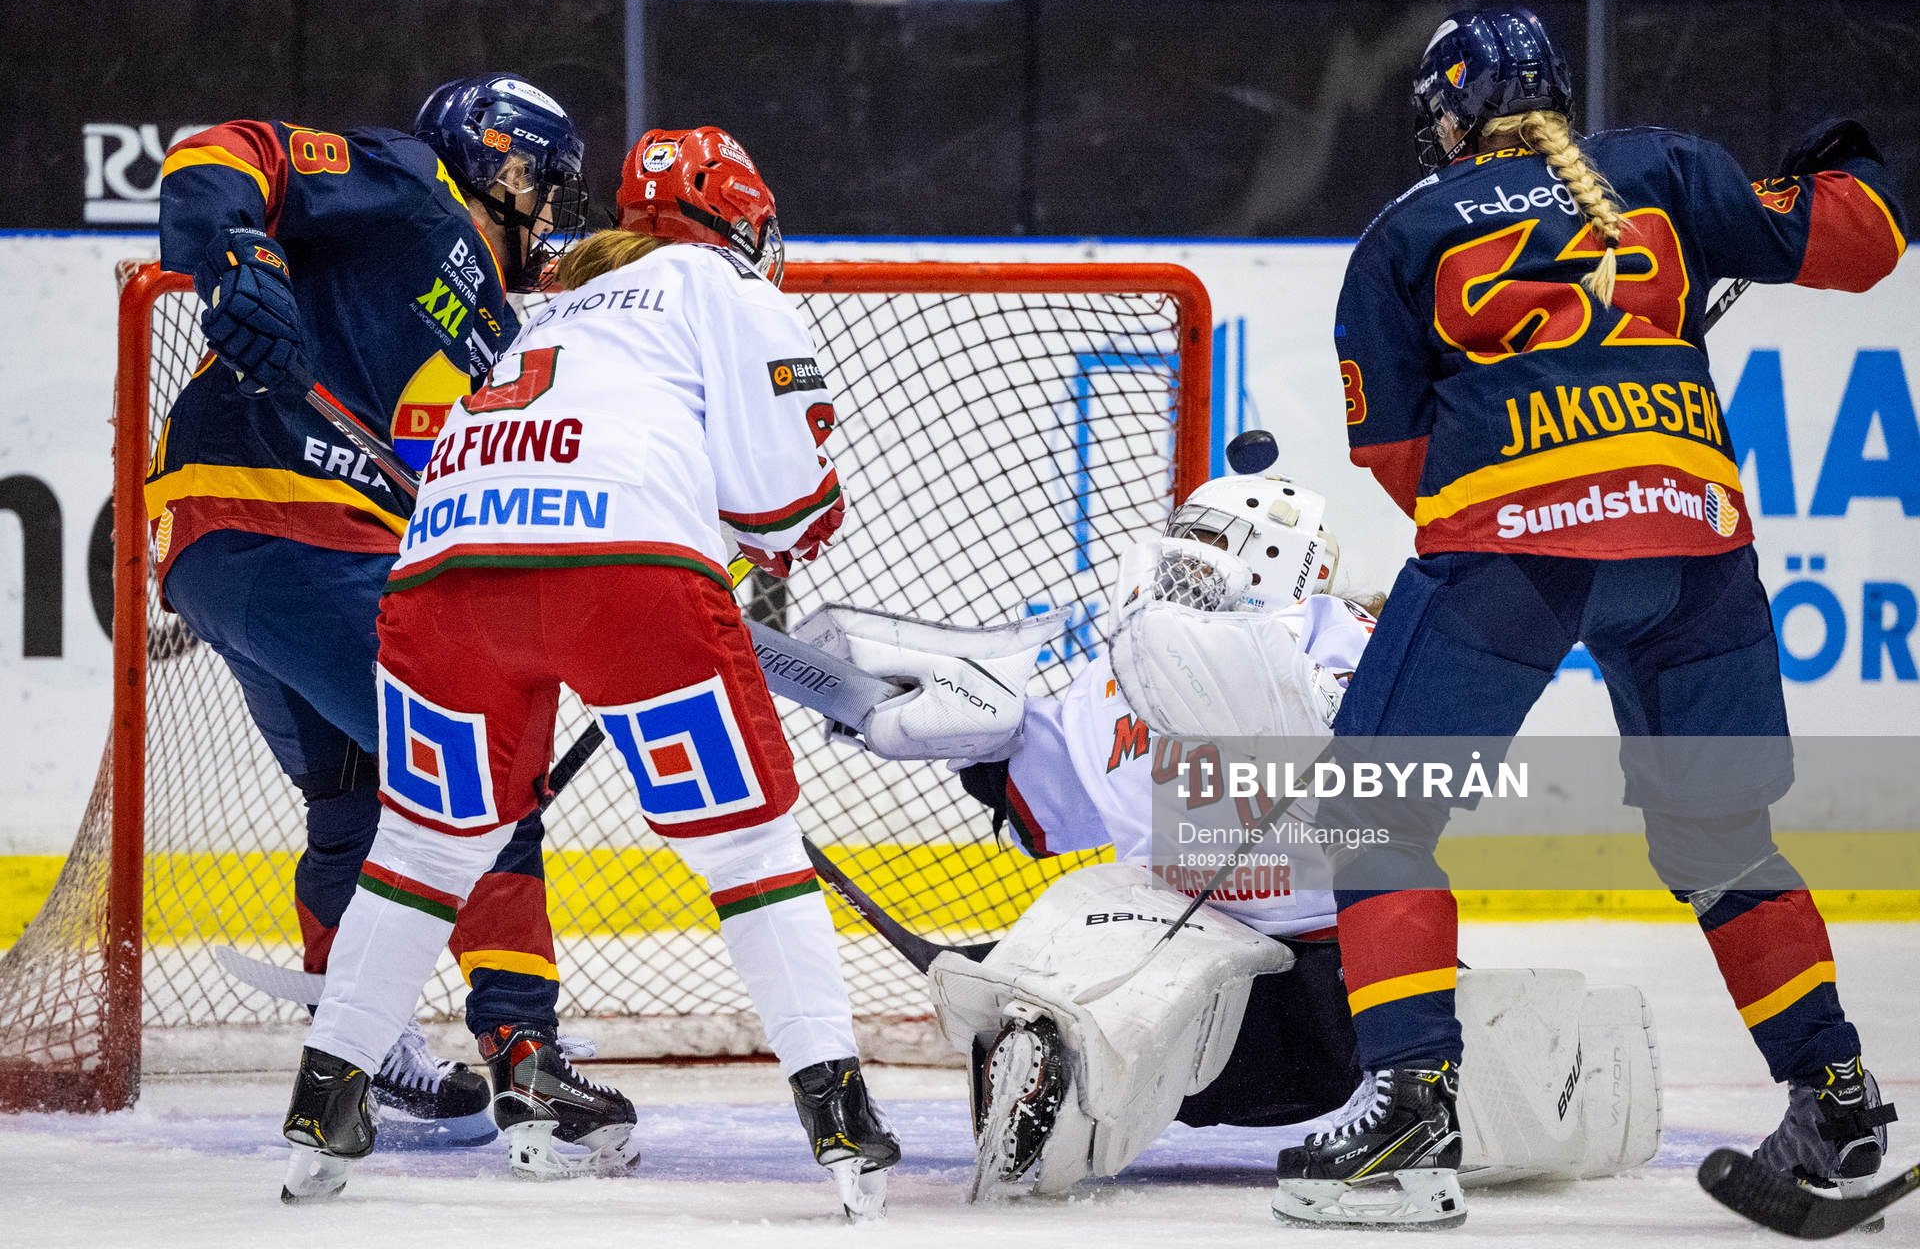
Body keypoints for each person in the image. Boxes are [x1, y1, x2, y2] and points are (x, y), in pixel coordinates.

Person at [1270, 6, 1907, 1229]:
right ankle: (1838, 1100)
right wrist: (1844, 152)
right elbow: (1863, 238)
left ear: (1448, 117)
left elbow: (1407, 463)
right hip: (1697, 550)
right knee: (1725, 844)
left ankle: (1408, 1123)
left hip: (1515, 553)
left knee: (1373, 816)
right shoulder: (1663, 168)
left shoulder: (1402, 234)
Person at [280, 126, 899, 1216]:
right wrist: (797, 521)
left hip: (444, 571)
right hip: (622, 577)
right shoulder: (727, 288)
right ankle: (839, 1114)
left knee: (425, 846)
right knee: (748, 849)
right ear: (744, 220)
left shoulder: (551, 300)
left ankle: (323, 1104)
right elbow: (784, 510)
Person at [795, 436, 1659, 1204]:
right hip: (1202, 1020)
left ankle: (1060, 1059)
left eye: (1204, 558)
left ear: (1283, 569)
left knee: (1104, 910)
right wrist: (976, 742)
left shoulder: (1359, 648)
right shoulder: (1110, 679)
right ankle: (1053, 1066)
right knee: (1097, 897)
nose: (1177, 573)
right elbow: (1040, 810)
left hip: (1348, 1008)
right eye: (1179, 553)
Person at [151, 73, 608, 1150]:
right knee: (486, 773)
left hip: (247, 552)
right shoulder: (411, 186)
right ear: (502, 162)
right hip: (287, 523)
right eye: (546, 180)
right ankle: (525, 1050)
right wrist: (240, 253)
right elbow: (223, 146)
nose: (553, 207)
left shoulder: (502, 330)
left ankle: (359, 1049)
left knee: (356, 795)